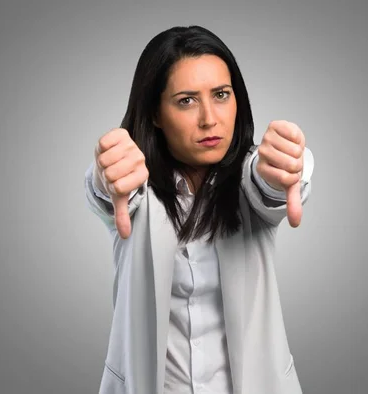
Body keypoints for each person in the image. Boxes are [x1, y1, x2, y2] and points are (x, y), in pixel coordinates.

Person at [84, 25, 314, 394]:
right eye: (186, 100)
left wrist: (287, 169)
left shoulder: (248, 180)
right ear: (156, 113)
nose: (210, 118)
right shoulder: (135, 190)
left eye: (221, 95)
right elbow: (106, 191)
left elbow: (268, 188)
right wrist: (104, 175)